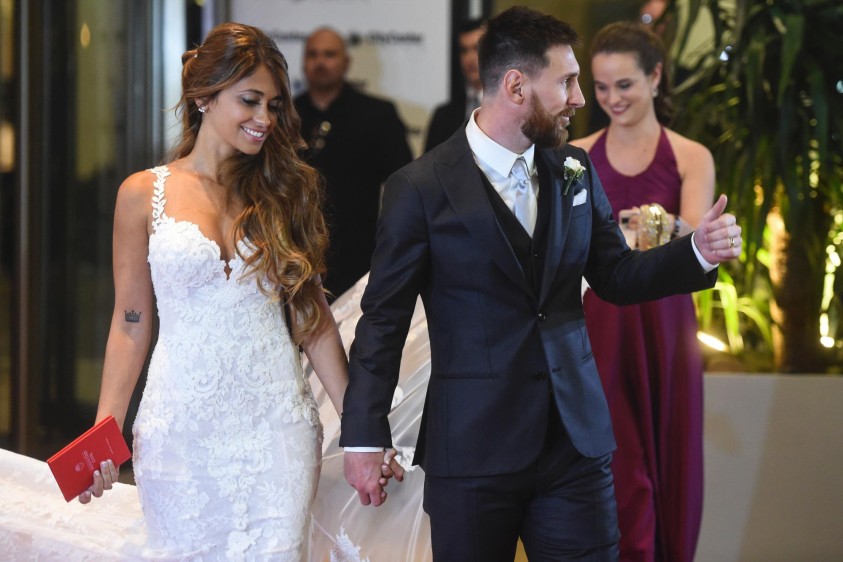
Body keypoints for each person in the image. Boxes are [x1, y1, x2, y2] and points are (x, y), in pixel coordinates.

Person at [340, 6, 741, 562]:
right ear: (516, 86)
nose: (580, 98)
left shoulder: (573, 168)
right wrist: (364, 437)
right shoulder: (420, 188)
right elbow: (383, 319)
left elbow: (616, 276)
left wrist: (695, 252)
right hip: (473, 453)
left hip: (574, 446)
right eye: (569, 82)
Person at [77, 23, 354, 560]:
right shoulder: (142, 195)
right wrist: (103, 430)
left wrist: (360, 429)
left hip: (279, 431)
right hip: (179, 431)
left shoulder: (286, 192)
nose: (264, 119)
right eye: (250, 101)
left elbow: (313, 318)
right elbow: (131, 322)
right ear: (204, 97)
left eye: (274, 105)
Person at [569, 21, 713, 562]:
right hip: (599, 321)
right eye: (601, 87)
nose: (611, 99)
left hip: (666, 322)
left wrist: (656, 222)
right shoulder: (576, 153)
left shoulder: (689, 155)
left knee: (669, 458)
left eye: (623, 85)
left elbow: (698, 236)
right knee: (618, 466)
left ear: (655, 77)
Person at [294, 27, 413, 300]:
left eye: (329, 54)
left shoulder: (377, 114)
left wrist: (394, 243)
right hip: (298, 254)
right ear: (303, 62)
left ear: (346, 62)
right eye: (313, 55)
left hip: (361, 256)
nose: (320, 62)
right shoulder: (288, 115)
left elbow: (403, 184)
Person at [423, 18, 486, 152]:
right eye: (464, 50)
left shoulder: (510, 110)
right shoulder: (443, 116)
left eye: (477, 48)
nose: (470, 58)